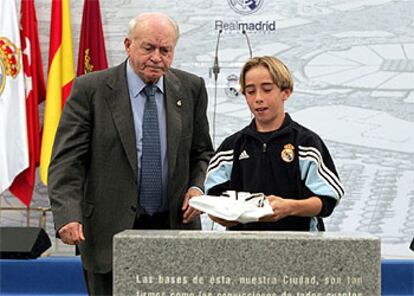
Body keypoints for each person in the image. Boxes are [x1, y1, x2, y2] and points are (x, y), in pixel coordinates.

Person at [48, 12, 213, 295]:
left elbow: (202, 151)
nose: (157, 57)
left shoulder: (191, 88)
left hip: (173, 229)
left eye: (165, 50)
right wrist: (67, 214)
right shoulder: (91, 89)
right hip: (107, 232)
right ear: (128, 45)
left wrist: (197, 188)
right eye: (148, 48)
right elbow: (67, 161)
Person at [204, 56, 344, 231]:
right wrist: (221, 215)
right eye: (250, 91)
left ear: (286, 92)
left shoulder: (306, 143)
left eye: (267, 89)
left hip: (299, 249)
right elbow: (212, 199)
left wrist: (290, 207)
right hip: (242, 251)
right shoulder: (231, 147)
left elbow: (327, 200)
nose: (258, 98)